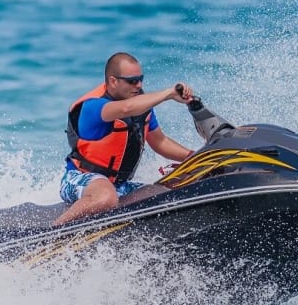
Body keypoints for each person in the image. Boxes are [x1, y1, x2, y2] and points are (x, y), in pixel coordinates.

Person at [54, 52, 195, 226]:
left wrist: (195, 157)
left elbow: (160, 142)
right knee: (106, 197)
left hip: (119, 186)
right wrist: (169, 93)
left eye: (141, 79)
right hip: (79, 178)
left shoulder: (140, 106)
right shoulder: (94, 106)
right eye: (132, 80)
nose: (139, 85)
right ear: (113, 81)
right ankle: (55, 232)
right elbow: (125, 109)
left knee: (166, 195)